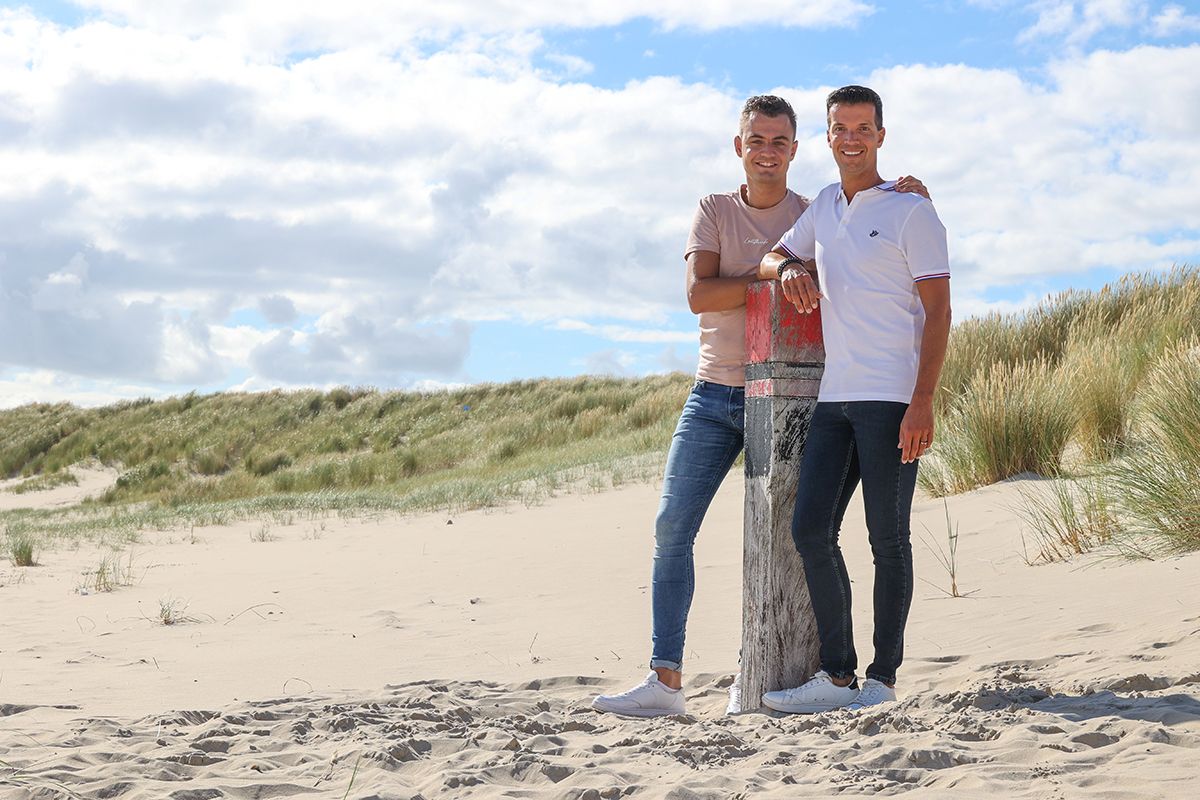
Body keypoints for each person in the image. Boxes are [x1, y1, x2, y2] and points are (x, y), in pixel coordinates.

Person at [591, 95, 929, 718]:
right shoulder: (716, 210)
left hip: (798, 397)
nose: (768, 151)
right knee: (672, 526)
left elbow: (888, 266)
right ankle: (666, 681)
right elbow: (699, 295)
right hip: (715, 392)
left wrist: (907, 196)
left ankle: (799, 671)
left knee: (793, 536)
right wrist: (772, 275)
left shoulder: (821, 207)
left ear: (797, 149)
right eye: (757, 140)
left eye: (780, 141)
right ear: (738, 146)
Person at [757, 85, 951, 714]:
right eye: (840, 128)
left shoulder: (911, 211)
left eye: (863, 128)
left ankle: (884, 679)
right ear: (829, 135)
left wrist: (923, 401)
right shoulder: (822, 207)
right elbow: (771, 256)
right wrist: (789, 269)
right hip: (835, 397)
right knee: (811, 528)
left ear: (880, 136)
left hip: (892, 398)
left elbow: (940, 311)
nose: (851, 139)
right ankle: (838, 678)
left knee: (886, 539)